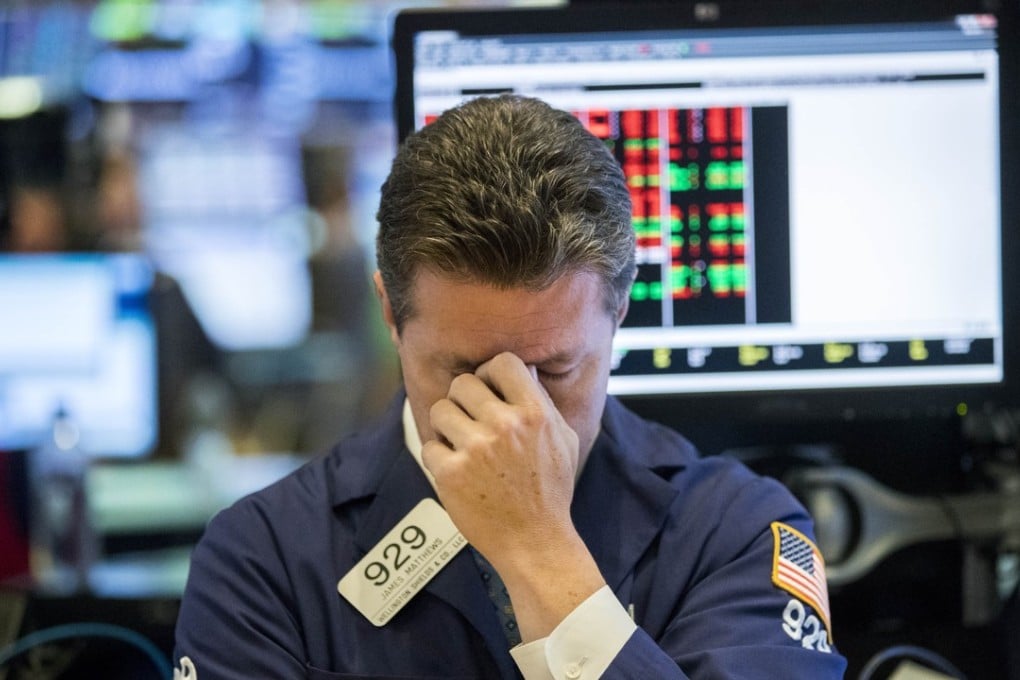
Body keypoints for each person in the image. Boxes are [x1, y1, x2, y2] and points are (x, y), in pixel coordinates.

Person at [173, 94, 847, 679]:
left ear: (619, 312)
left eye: (553, 371)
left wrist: (540, 550)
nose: (513, 416)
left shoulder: (736, 532)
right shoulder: (263, 560)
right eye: (463, 372)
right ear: (389, 314)